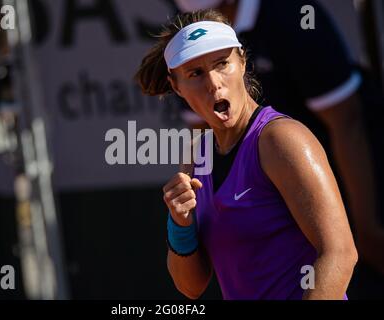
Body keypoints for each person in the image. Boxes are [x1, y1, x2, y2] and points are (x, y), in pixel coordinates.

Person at [135, 10, 357, 300]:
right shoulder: (196, 155)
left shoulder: (282, 140)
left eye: (222, 64)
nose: (214, 83)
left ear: (242, 62)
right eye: (196, 73)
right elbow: (191, 286)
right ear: (176, 85)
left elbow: (339, 254)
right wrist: (180, 224)